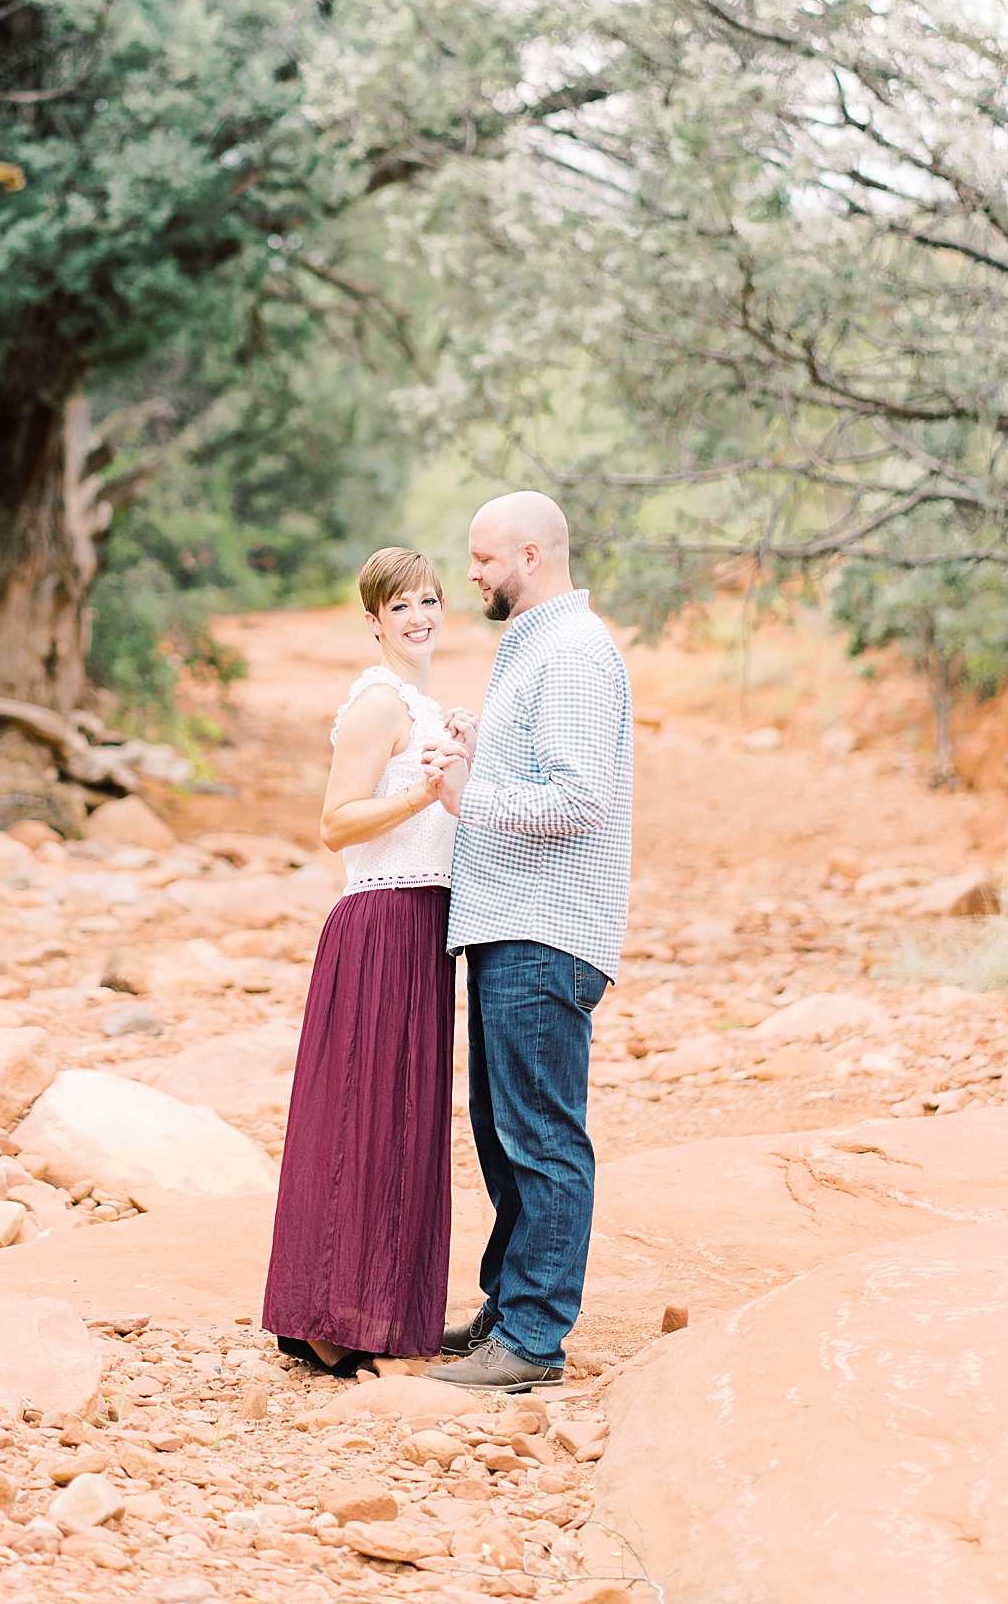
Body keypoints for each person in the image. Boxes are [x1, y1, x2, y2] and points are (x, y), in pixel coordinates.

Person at [420, 490, 632, 1395]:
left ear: (533, 556)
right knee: (503, 1133)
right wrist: (484, 750)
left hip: (544, 928)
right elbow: (543, 770)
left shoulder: (575, 654)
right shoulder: (536, 647)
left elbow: (580, 799)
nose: (468, 573)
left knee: (541, 1134)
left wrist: (471, 796)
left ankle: (536, 1337)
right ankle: (509, 1307)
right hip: (511, 922)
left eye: (483, 558)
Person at [261, 546, 470, 1373]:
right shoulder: (378, 703)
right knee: (362, 1116)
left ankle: (376, 1313)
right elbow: (335, 821)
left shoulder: (422, 703)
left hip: (426, 924)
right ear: (374, 620)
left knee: (405, 1118)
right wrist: (422, 792)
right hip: (383, 918)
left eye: (430, 599)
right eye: (402, 605)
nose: (420, 615)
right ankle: (336, 1315)